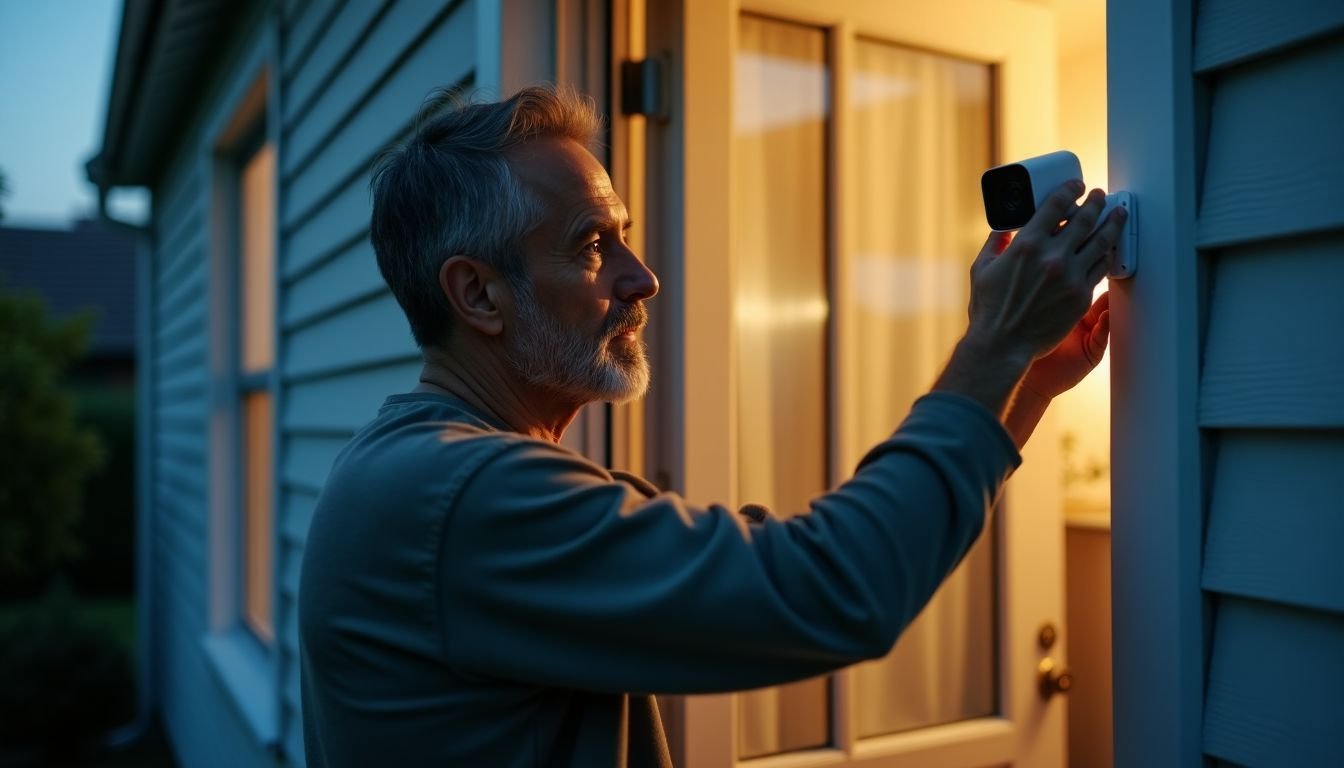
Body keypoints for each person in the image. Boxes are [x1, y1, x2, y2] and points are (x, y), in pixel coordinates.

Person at [298, 85, 1122, 768]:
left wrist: (1023, 383)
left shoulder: (429, 473)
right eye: (592, 245)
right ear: (478, 295)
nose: (643, 278)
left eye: (625, 236)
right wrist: (995, 344)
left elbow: (782, 567)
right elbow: (826, 589)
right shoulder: (461, 497)